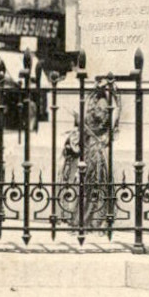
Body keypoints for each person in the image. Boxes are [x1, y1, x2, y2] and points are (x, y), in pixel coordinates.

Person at [57, 80, 121, 230]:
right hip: (89, 145)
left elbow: (99, 124)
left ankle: (89, 219)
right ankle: (80, 216)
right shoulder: (98, 102)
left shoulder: (104, 103)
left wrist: (83, 123)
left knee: (92, 182)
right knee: (84, 181)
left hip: (94, 147)